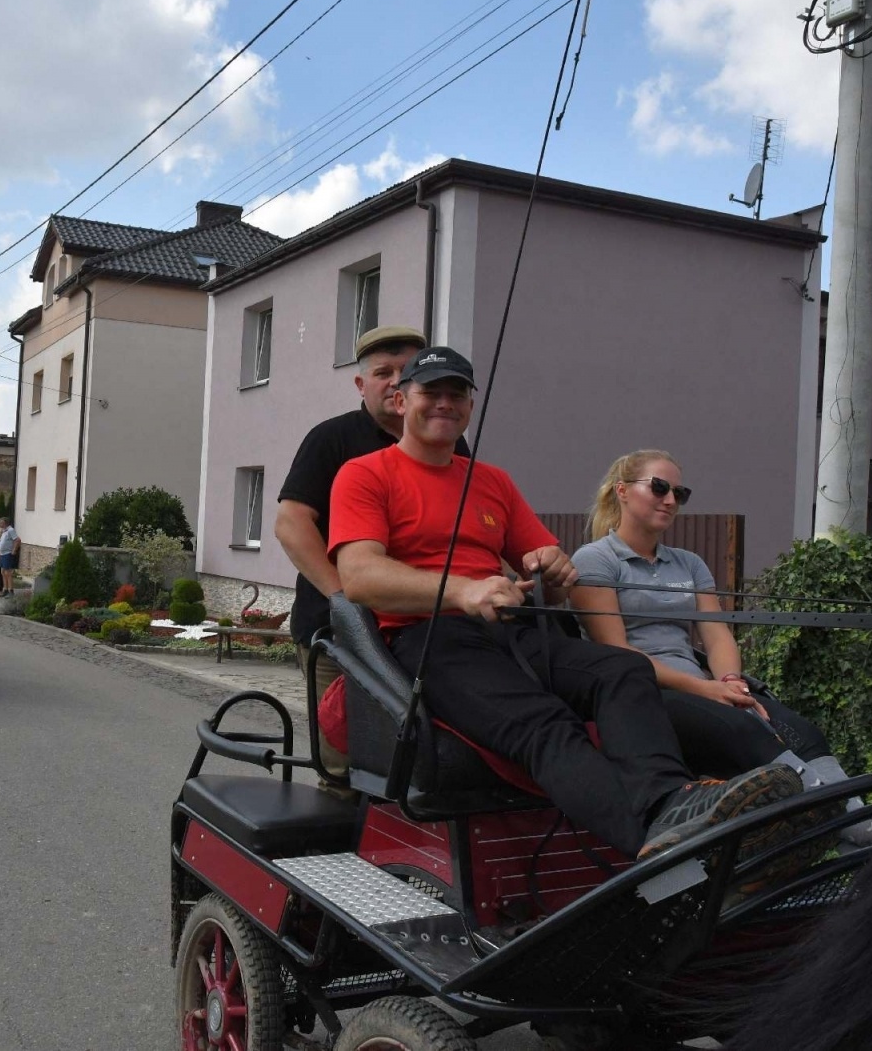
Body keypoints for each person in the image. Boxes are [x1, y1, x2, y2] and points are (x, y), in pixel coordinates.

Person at [328, 347, 801, 860]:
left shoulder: (492, 481)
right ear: (400, 401)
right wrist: (464, 590)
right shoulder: (365, 474)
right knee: (545, 725)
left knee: (623, 670)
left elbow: (549, 566)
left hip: (509, 632)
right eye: (431, 392)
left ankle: (671, 803)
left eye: (457, 393)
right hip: (428, 640)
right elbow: (359, 578)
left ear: (469, 405)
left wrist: (552, 568)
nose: (445, 403)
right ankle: (655, 849)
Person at [570, 449, 872, 846]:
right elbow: (619, 656)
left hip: (701, 686)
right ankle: (844, 825)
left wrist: (731, 682)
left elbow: (716, 636)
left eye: (680, 493)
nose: (670, 500)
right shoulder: (596, 560)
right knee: (742, 731)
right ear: (623, 491)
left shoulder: (689, 564)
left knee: (802, 731)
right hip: (640, 695)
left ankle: (850, 821)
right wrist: (710, 691)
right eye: (660, 487)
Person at [276, 325, 468, 774]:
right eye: (384, 372)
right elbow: (292, 524)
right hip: (339, 635)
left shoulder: (451, 443)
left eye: (407, 372)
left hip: (421, 632)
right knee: (347, 764)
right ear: (361, 385)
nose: (396, 381)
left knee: (414, 762)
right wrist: (345, 600)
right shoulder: (332, 439)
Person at [0, 517, 19, 597]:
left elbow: (17, 540)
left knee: (8, 573)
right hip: (2, 554)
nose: (0, 524)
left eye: (1, 522)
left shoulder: (11, 530)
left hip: (7, 554)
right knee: (2, 572)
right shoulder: (4, 531)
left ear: (5, 523)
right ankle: (5, 589)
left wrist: (14, 550)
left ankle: (11, 591)